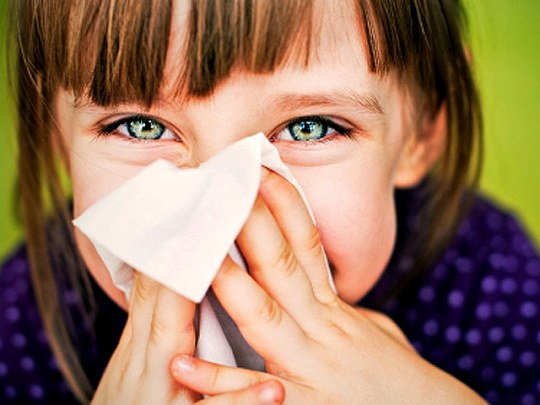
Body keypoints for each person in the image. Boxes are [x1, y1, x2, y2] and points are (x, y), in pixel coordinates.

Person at [1, 0, 538, 403]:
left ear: (419, 130)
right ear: (56, 137)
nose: (224, 219)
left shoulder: (489, 284)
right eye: (140, 127)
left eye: (309, 128)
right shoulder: (22, 326)